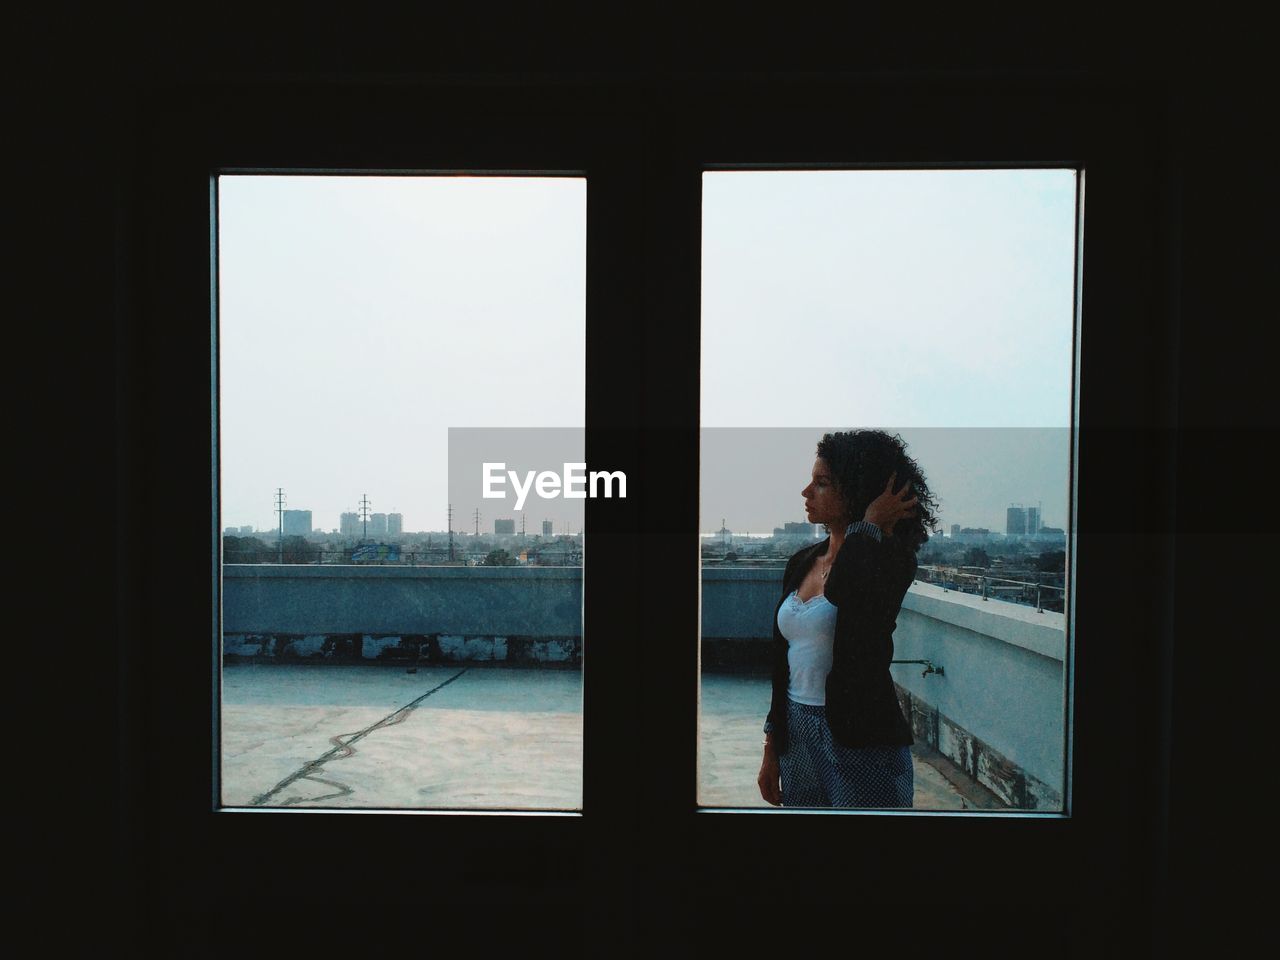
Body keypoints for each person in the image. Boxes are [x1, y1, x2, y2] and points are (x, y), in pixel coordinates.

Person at [757, 429, 938, 808]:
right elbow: (782, 661)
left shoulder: (891, 560)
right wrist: (772, 745)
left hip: (860, 738)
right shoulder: (802, 562)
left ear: (857, 490)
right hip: (797, 728)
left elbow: (844, 589)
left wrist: (868, 526)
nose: (807, 492)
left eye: (822, 483)